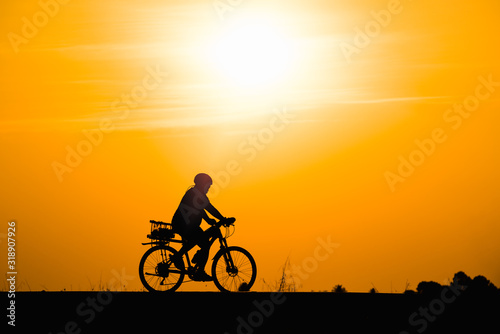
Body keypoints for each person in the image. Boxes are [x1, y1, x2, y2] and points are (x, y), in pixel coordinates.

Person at [171, 173, 227, 281]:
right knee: (205, 243)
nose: (208, 189)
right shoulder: (195, 194)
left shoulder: (195, 193)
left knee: (201, 240)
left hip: (187, 225)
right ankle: (198, 270)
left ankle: (185, 257)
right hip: (183, 225)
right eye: (207, 186)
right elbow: (209, 208)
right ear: (202, 184)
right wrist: (222, 219)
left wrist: (210, 220)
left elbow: (201, 210)